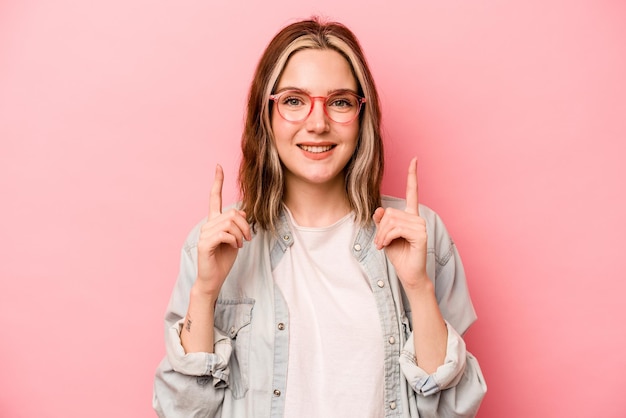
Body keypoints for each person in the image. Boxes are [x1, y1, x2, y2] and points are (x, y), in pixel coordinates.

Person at [153, 17, 486, 418]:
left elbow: (453, 409)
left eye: (340, 101)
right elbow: (180, 411)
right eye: (294, 100)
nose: (317, 123)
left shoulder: (420, 233)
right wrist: (204, 295)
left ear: (362, 115)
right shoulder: (215, 242)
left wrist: (417, 286)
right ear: (267, 113)